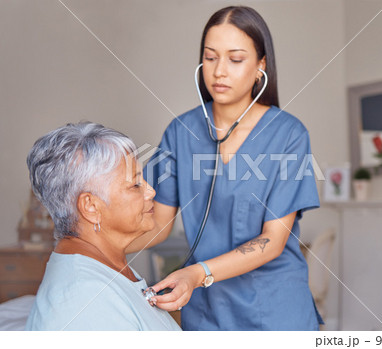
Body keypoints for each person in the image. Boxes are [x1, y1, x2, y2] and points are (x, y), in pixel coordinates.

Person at [127, 6, 322, 330]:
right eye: (211, 57)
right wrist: (93, 249)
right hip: (206, 312)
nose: (219, 71)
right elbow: (158, 224)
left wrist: (196, 273)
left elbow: (273, 241)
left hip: (275, 310)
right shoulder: (180, 132)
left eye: (235, 59)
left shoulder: (289, 134)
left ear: (261, 65)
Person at [25, 122, 180, 331]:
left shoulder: (107, 266)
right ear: (90, 206)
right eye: (135, 185)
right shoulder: (84, 298)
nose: (151, 191)